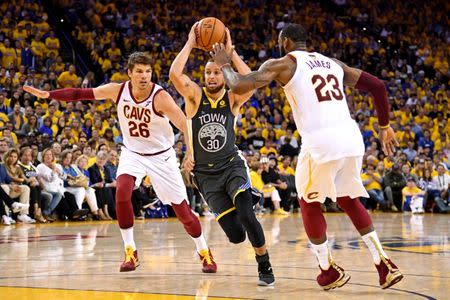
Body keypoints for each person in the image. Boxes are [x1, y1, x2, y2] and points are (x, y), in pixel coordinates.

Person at [211, 23, 403, 290]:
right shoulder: (331, 63)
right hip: (351, 139)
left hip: (320, 143)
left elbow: (239, 85)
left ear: (286, 41)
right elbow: (378, 86)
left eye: (280, 41)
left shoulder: (284, 64)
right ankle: (383, 264)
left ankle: (327, 271)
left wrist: (224, 64)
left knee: (308, 202)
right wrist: (384, 126)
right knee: (349, 200)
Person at [24, 51, 216, 273]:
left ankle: (204, 251)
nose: (144, 76)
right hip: (132, 153)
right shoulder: (118, 90)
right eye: (139, 72)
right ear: (129, 73)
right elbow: (79, 93)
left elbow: (186, 126)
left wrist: (191, 153)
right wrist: (48, 94)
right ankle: (130, 251)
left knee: (182, 210)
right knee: (122, 192)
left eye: (148, 71)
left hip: (161, 156)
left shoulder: (160, 97)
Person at [169, 24, 274, 285]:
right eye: (208, 72)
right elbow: (174, 74)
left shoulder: (232, 98)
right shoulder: (194, 96)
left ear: (223, 75)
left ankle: (265, 265)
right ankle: (247, 199)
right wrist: (191, 43)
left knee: (248, 216)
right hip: (205, 176)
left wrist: (231, 53)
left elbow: (254, 80)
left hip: (231, 166)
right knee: (237, 236)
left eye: (217, 72)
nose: (213, 76)